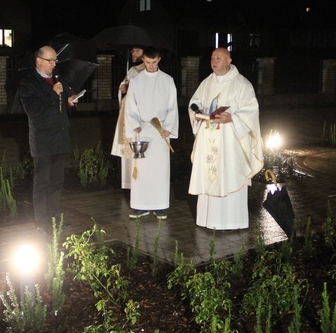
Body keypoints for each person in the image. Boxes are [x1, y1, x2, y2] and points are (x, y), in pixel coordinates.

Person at [188, 48, 264, 230]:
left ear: (229, 60)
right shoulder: (207, 83)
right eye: (212, 58)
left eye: (219, 58)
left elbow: (251, 110)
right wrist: (197, 112)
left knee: (229, 174)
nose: (214, 61)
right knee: (210, 175)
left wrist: (232, 118)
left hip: (231, 141)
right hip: (209, 139)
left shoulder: (241, 84)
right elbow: (195, 102)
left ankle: (231, 222)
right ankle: (208, 220)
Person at [18, 45, 78, 233]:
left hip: (60, 137)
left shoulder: (58, 79)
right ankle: (41, 223)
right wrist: (54, 94)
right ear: (39, 61)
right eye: (50, 60)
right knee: (42, 181)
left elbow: (62, 109)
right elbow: (34, 111)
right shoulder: (29, 83)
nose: (54, 64)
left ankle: (53, 218)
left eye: (55, 60)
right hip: (43, 140)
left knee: (57, 181)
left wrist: (69, 103)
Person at [123, 46, 179, 219]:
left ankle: (160, 205)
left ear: (159, 60)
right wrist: (134, 125)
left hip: (160, 130)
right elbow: (130, 106)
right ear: (143, 61)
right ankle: (140, 205)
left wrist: (168, 127)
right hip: (143, 129)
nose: (151, 66)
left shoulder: (167, 80)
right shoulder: (137, 80)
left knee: (160, 169)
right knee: (142, 169)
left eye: (154, 62)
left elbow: (172, 106)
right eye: (147, 62)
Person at [111, 45, 145, 189]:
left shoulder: (146, 71)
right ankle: (128, 183)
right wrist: (123, 88)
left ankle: (140, 183)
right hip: (126, 112)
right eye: (132, 50)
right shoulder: (133, 70)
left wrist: (129, 88)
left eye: (137, 50)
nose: (133, 53)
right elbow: (123, 88)